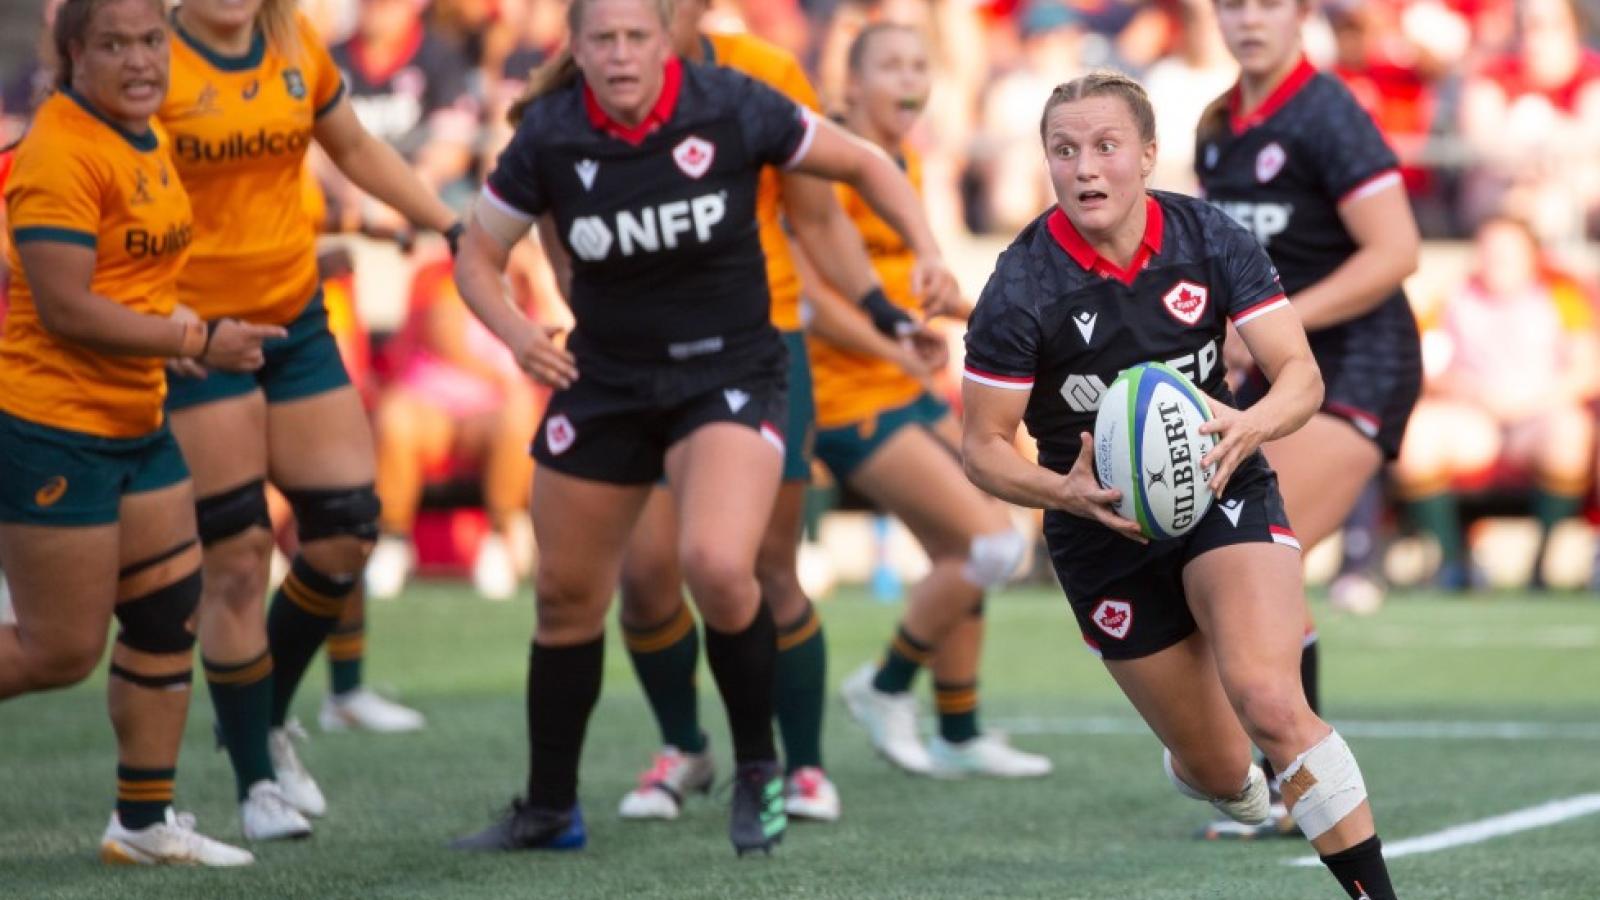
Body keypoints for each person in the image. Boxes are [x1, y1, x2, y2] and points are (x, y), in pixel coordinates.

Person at [447, 0, 955, 855]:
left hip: (729, 370)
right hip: (606, 379)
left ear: (668, 40)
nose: (620, 55)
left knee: (720, 564)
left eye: (636, 37)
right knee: (567, 596)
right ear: (576, 48)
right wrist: (518, 333)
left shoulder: (733, 101)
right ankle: (550, 807)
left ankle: (760, 771)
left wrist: (927, 251)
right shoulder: (549, 133)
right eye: (602, 39)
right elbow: (476, 255)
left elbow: (865, 165)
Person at [961, 71, 1398, 900]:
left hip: (1222, 481)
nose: (1085, 168)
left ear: (1148, 156)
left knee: (1271, 702)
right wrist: (1064, 493)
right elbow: (981, 449)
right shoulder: (1021, 287)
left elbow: (1300, 377)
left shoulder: (1208, 237)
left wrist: (1249, 427)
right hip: (1097, 534)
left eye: (1106, 146)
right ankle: (1203, 762)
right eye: (1064, 150)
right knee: (1226, 776)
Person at [609, 0, 951, 827]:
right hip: (637, 355)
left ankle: (802, 766)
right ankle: (685, 747)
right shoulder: (591, 72)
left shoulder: (762, 73)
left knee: (763, 567)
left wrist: (884, 310)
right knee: (645, 574)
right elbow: (544, 201)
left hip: (759, 341)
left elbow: (819, 215)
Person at [158, 0, 458, 840]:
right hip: (200, 338)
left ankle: (263, 716)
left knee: (347, 532)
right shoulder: (150, 54)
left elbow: (354, 147)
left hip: (293, 319)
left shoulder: (294, 41)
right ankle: (257, 783)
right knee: (240, 554)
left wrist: (448, 222)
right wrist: (160, 317)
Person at [0, 0, 278, 865]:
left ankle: (143, 821)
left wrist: (172, 332)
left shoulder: (143, 136)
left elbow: (130, 276)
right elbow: (66, 308)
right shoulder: (61, 150)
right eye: (113, 44)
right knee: (58, 652)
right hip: (55, 427)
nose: (140, 61)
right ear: (72, 54)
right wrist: (193, 342)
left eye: (152, 40)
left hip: (138, 417)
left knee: (166, 612)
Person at [1195, 0, 1422, 837]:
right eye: (1232, 4)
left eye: (1268, 4)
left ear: (1299, 14)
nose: (1249, 20)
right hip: (1280, 370)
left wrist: (1274, 326)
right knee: (1256, 570)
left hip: (1358, 364)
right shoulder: (1219, 125)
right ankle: (1291, 781)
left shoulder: (1328, 112)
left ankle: (1287, 781)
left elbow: (1397, 251)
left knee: (1246, 558)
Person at [821, 22, 1049, 781]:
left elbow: (908, 284)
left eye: (920, 65)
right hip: (840, 395)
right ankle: (885, 686)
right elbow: (810, 296)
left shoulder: (907, 159)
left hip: (903, 384)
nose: (909, 79)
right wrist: (894, 343)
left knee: (972, 549)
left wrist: (944, 321)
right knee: (988, 547)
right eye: (890, 66)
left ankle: (958, 729)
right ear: (852, 83)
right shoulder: (826, 159)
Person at [1396, 214, 1597, 589]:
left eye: (1507, 250)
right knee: (1417, 435)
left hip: (1538, 416)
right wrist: (1470, 391)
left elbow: (1585, 370)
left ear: (1531, 255)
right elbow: (1428, 368)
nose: (1496, 259)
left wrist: (1532, 399)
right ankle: (1452, 562)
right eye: (1488, 249)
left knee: (1570, 432)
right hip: (1474, 417)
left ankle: (1542, 563)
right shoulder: (1454, 296)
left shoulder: (1560, 295)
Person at [367, 258, 540, 603]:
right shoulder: (449, 276)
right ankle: (393, 540)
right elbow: (444, 333)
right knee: (395, 417)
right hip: (433, 403)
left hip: (492, 413)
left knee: (520, 417)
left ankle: (499, 539)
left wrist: (539, 277)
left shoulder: (531, 284)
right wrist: (501, 378)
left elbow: (563, 338)